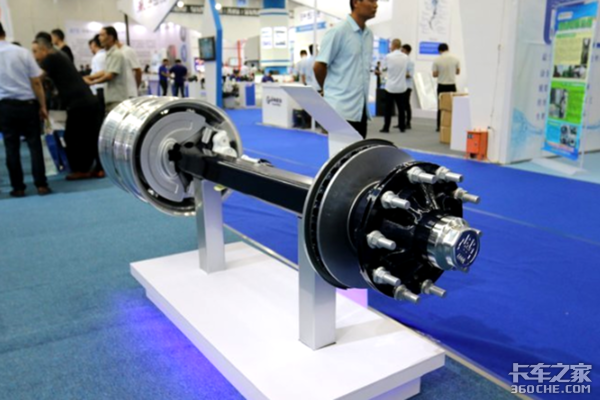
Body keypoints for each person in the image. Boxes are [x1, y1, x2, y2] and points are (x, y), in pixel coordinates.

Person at [33, 36, 103, 180]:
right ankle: (99, 168)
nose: (34, 56)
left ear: (43, 49)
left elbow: (37, 79)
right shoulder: (60, 55)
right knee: (92, 135)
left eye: (35, 52)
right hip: (88, 100)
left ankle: (81, 169)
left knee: (73, 138)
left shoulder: (50, 58)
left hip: (78, 104)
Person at [314, 0, 378, 139]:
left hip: (360, 110)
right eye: (371, 0)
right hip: (339, 110)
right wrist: (327, 89)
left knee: (359, 151)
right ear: (356, 2)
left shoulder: (368, 34)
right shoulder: (338, 31)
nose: (375, 5)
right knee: (340, 152)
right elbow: (319, 66)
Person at [0, 23, 51, 197]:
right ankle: (41, 185)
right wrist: (42, 105)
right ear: (4, 32)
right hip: (27, 105)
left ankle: (18, 187)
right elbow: (36, 81)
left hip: (5, 106)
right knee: (34, 145)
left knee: (11, 147)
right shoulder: (22, 52)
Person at [84, 26, 129, 115]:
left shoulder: (116, 54)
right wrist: (89, 77)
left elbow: (110, 75)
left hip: (117, 99)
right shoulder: (109, 54)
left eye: (102, 35)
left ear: (111, 37)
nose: (99, 38)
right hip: (111, 98)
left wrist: (92, 82)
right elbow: (105, 71)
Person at [380, 39, 409, 133]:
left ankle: (386, 127)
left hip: (390, 87)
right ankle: (402, 127)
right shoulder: (405, 57)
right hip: (401, 87)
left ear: (393, 45)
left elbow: (383, 68)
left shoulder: (388, 56)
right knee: (401, 109)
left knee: (388, 109)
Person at [432, 43, 460, 131]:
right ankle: (452, 125)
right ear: (448, 49)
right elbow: (458, 72)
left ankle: (439, 126)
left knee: (440, 106)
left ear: (439, 50)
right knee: (452, 106)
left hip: (442, 85)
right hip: (452, 85)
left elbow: (434, 74)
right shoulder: (456, 59)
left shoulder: (437, 60)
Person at [89, 35, 106, 116]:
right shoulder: (105, 55)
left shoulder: (99, 57)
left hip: (100, 89)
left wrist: (89, 80)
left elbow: (100, 73)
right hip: (102, 88)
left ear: (94, 44)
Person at [401, 44, 414, 130]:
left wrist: (400, 74)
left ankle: (408, 122)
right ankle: (401, 122)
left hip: (407, 86)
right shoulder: (401, 61)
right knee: (401, 105)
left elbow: (410, 75)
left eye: (403, 50)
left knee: (406, 104)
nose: (401, 52)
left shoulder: (410, 62)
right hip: (401, 85)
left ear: (407, 51)